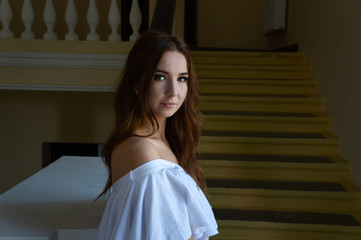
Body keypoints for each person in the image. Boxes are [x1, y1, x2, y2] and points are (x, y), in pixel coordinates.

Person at [95, 31, 218, 240]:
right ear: (136, 83)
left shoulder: (162, 142)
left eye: (182, 79)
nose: (173, 91)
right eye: (160, 77)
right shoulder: (143, 151)